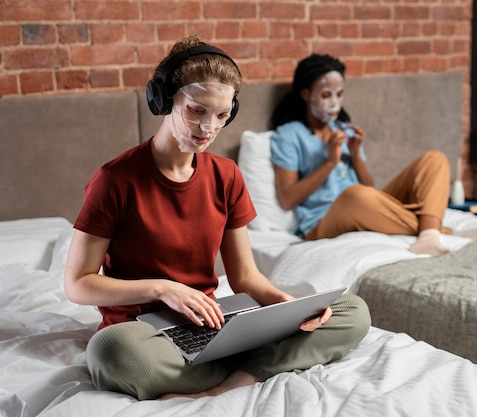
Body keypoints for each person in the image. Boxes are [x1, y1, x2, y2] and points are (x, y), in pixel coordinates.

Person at [63, 36, 370, 401]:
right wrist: (163, 288)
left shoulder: (227, 175)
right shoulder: (114, 180)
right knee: (109, 352)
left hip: (213, 325)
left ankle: (226, 382)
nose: (208, 127)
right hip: (144, 334)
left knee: (352, 311)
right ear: (164, 100)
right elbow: (77, 284)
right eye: (196, 110)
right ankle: (254, 369)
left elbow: (245, 277)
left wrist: (289, 310)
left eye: (222, 115)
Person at [270, 53, 452, 256]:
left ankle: (429, 235)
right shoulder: (288, 135)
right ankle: (434, 227)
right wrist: (330, 162)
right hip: (323, 221)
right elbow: (287, 199)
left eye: (339, 94)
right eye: (325, 95)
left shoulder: (343, 128)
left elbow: (370, 189)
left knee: (434, 159)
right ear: (305, 94)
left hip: (363, 204)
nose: (334, 103)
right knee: (354, 195)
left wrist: (355, 155)